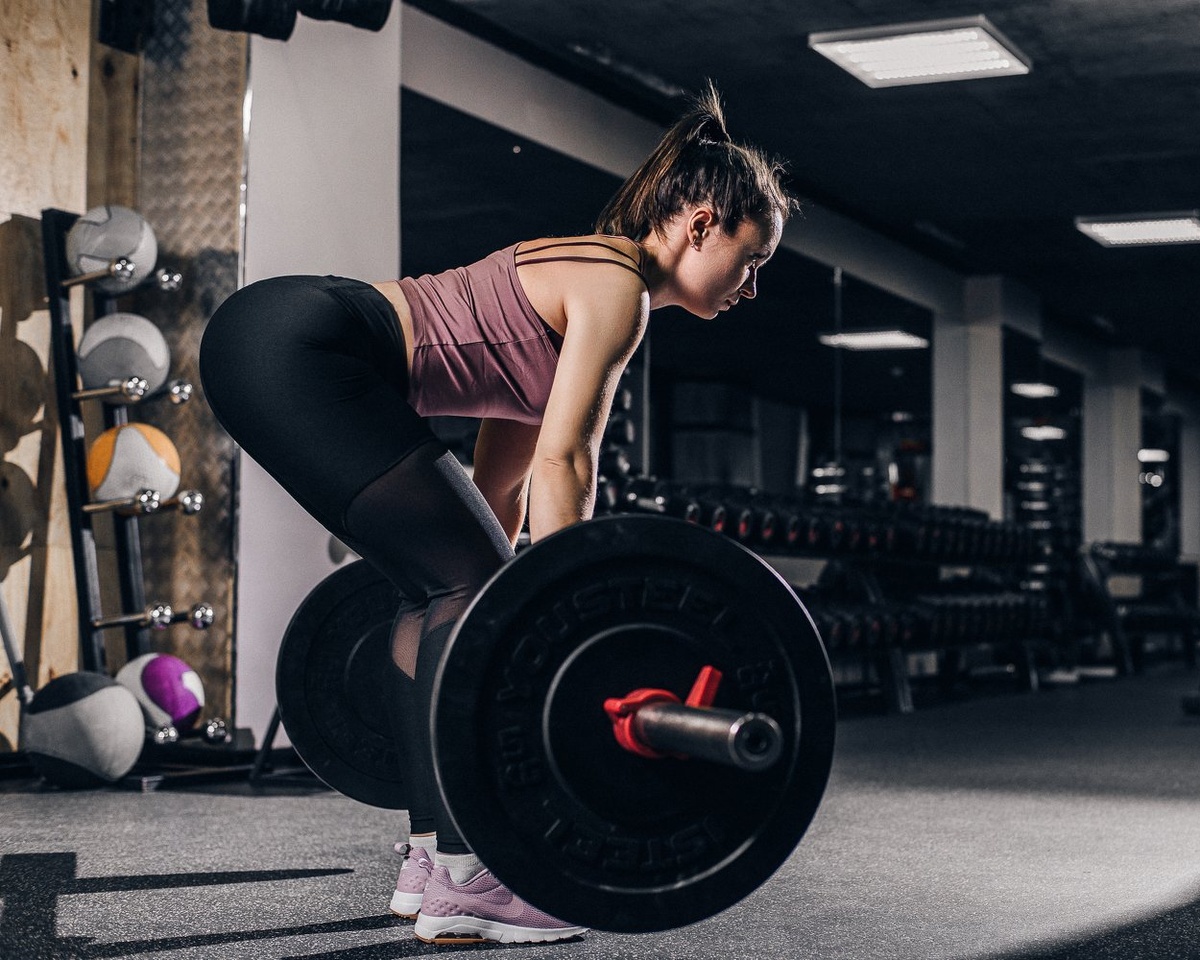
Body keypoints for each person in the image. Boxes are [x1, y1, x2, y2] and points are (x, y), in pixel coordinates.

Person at [198, 83, 796, 945]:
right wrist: (572, 621)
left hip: (267, 340)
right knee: (465, 590)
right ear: (701, 223)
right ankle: (474, 877)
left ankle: (434, 867)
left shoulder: (579, 279)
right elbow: (570, 460)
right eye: (751, 262)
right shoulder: (614, 285)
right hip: (303, 346)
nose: (750, 288)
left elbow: (503, 486)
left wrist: (522, 590)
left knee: (442, 591)